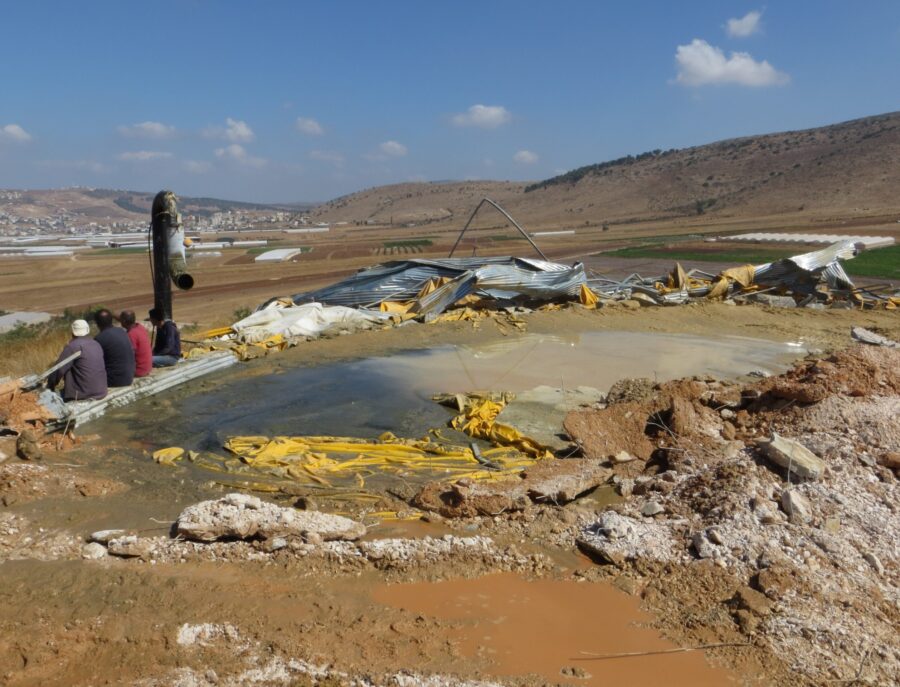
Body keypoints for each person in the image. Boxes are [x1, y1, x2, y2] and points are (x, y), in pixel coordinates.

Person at [47, 319, 108, 401]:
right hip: (101, 392)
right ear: (87, 330)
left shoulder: (72, 346)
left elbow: (59, 370)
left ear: (73, 332)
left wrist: (49, 387)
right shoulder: (96, 344)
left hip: (82, 394)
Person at [93, 309, 135, 387]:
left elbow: (94, 364)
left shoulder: (99, 339)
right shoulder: (122, 331)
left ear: (97, 323)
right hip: (129, 377)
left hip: (115, 381)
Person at [118, 310, 152, 378]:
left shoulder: (131, 334)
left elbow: (129, 356)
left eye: (120, 319)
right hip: (147, 367)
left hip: (139, 370)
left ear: (124, 321)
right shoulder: (140, 327)